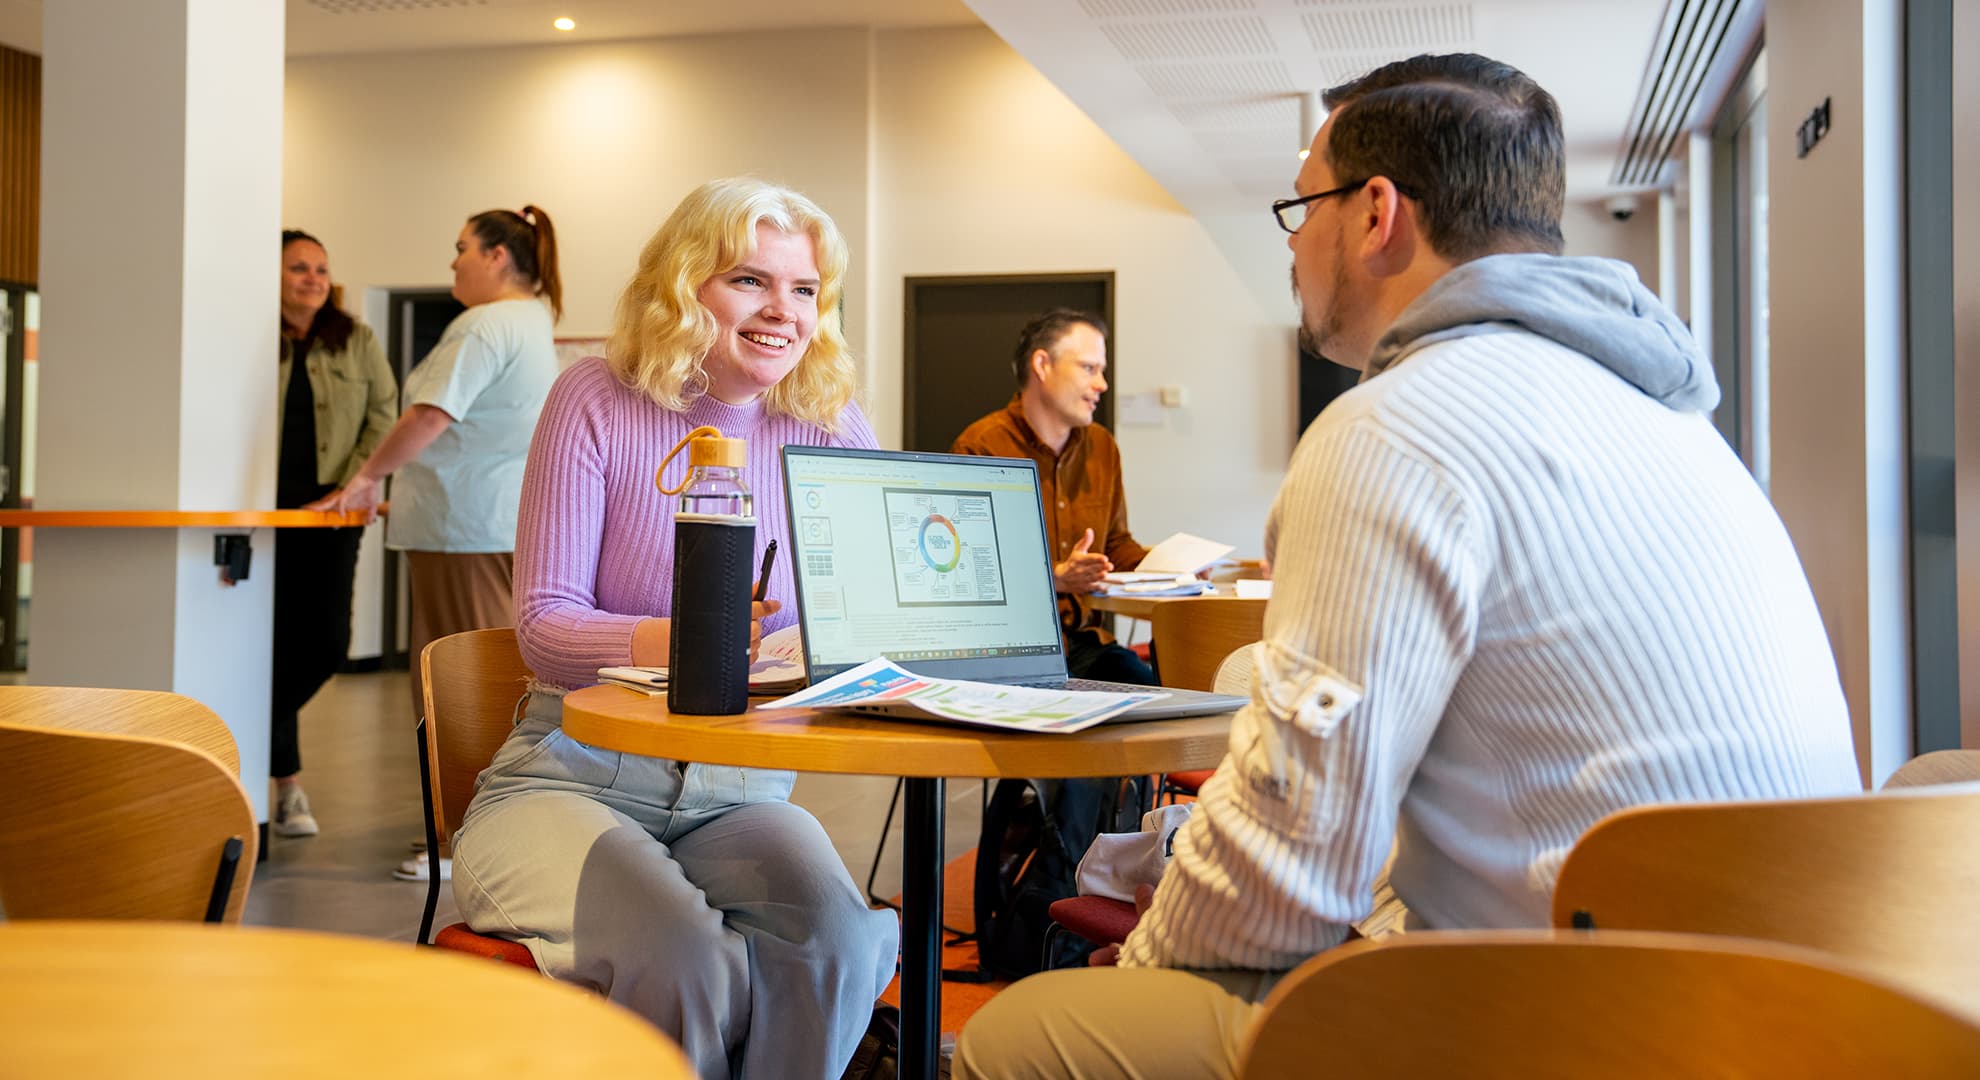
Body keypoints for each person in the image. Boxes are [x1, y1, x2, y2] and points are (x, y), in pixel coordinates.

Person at [955, 52, 1860, 1079]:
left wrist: (1143, 969)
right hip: (1811, 1009)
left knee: (1017, 1039)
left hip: (1592, 1021)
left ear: (1376, 213)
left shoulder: (1397, 429)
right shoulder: (1671, 415)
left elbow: (1291, 875)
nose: (1293, 249)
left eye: (1301, 211)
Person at [448, 178, 899, 1079]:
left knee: (843, 944)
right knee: (684, 957)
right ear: (686, 283)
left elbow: (872, 610)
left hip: (740, 788)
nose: (783, 312)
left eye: (805, 290)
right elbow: (543, 629)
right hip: (570, 778)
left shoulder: (831, 426)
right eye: (750, 281)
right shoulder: (596, 399)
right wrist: (692, 635)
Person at [270, 229, 397, 838]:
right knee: (262, 646)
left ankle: (249, 727)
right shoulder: (247, 335)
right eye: (298, 267)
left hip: (331, 516)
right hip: (260, 519)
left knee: (322, 645)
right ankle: (286, 786)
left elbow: (384, 416)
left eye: (320, 268)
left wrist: (351, 489)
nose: (313, 278)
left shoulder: (356, 339)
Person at [951, 310, 1154, 684]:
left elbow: (1116, 544)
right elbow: (967, 571)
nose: (1102, 384)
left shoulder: (1102, 447)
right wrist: (1057, 577)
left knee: (1154, 694)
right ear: (1042, 365)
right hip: (1010, 648)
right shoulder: (981, 447)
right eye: (1089, 369)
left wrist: (1167, 569)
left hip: (1085, 642)